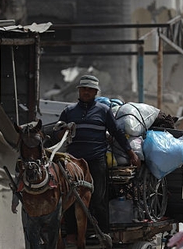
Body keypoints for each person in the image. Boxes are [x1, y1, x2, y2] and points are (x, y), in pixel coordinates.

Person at [58, 75, 139, 232]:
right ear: (79, 91)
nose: (86, 92)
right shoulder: (69, 111)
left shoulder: (103, 111)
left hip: (96, 160)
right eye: (83, 89)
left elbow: (117, 132)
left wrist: (131, 153)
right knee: (70, 197)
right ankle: (72, 234)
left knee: (98, 199)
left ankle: (103, 233)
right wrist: (61, 134)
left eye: (90, 90)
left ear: (95, 92)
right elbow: (58, 132)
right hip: (74, 162)